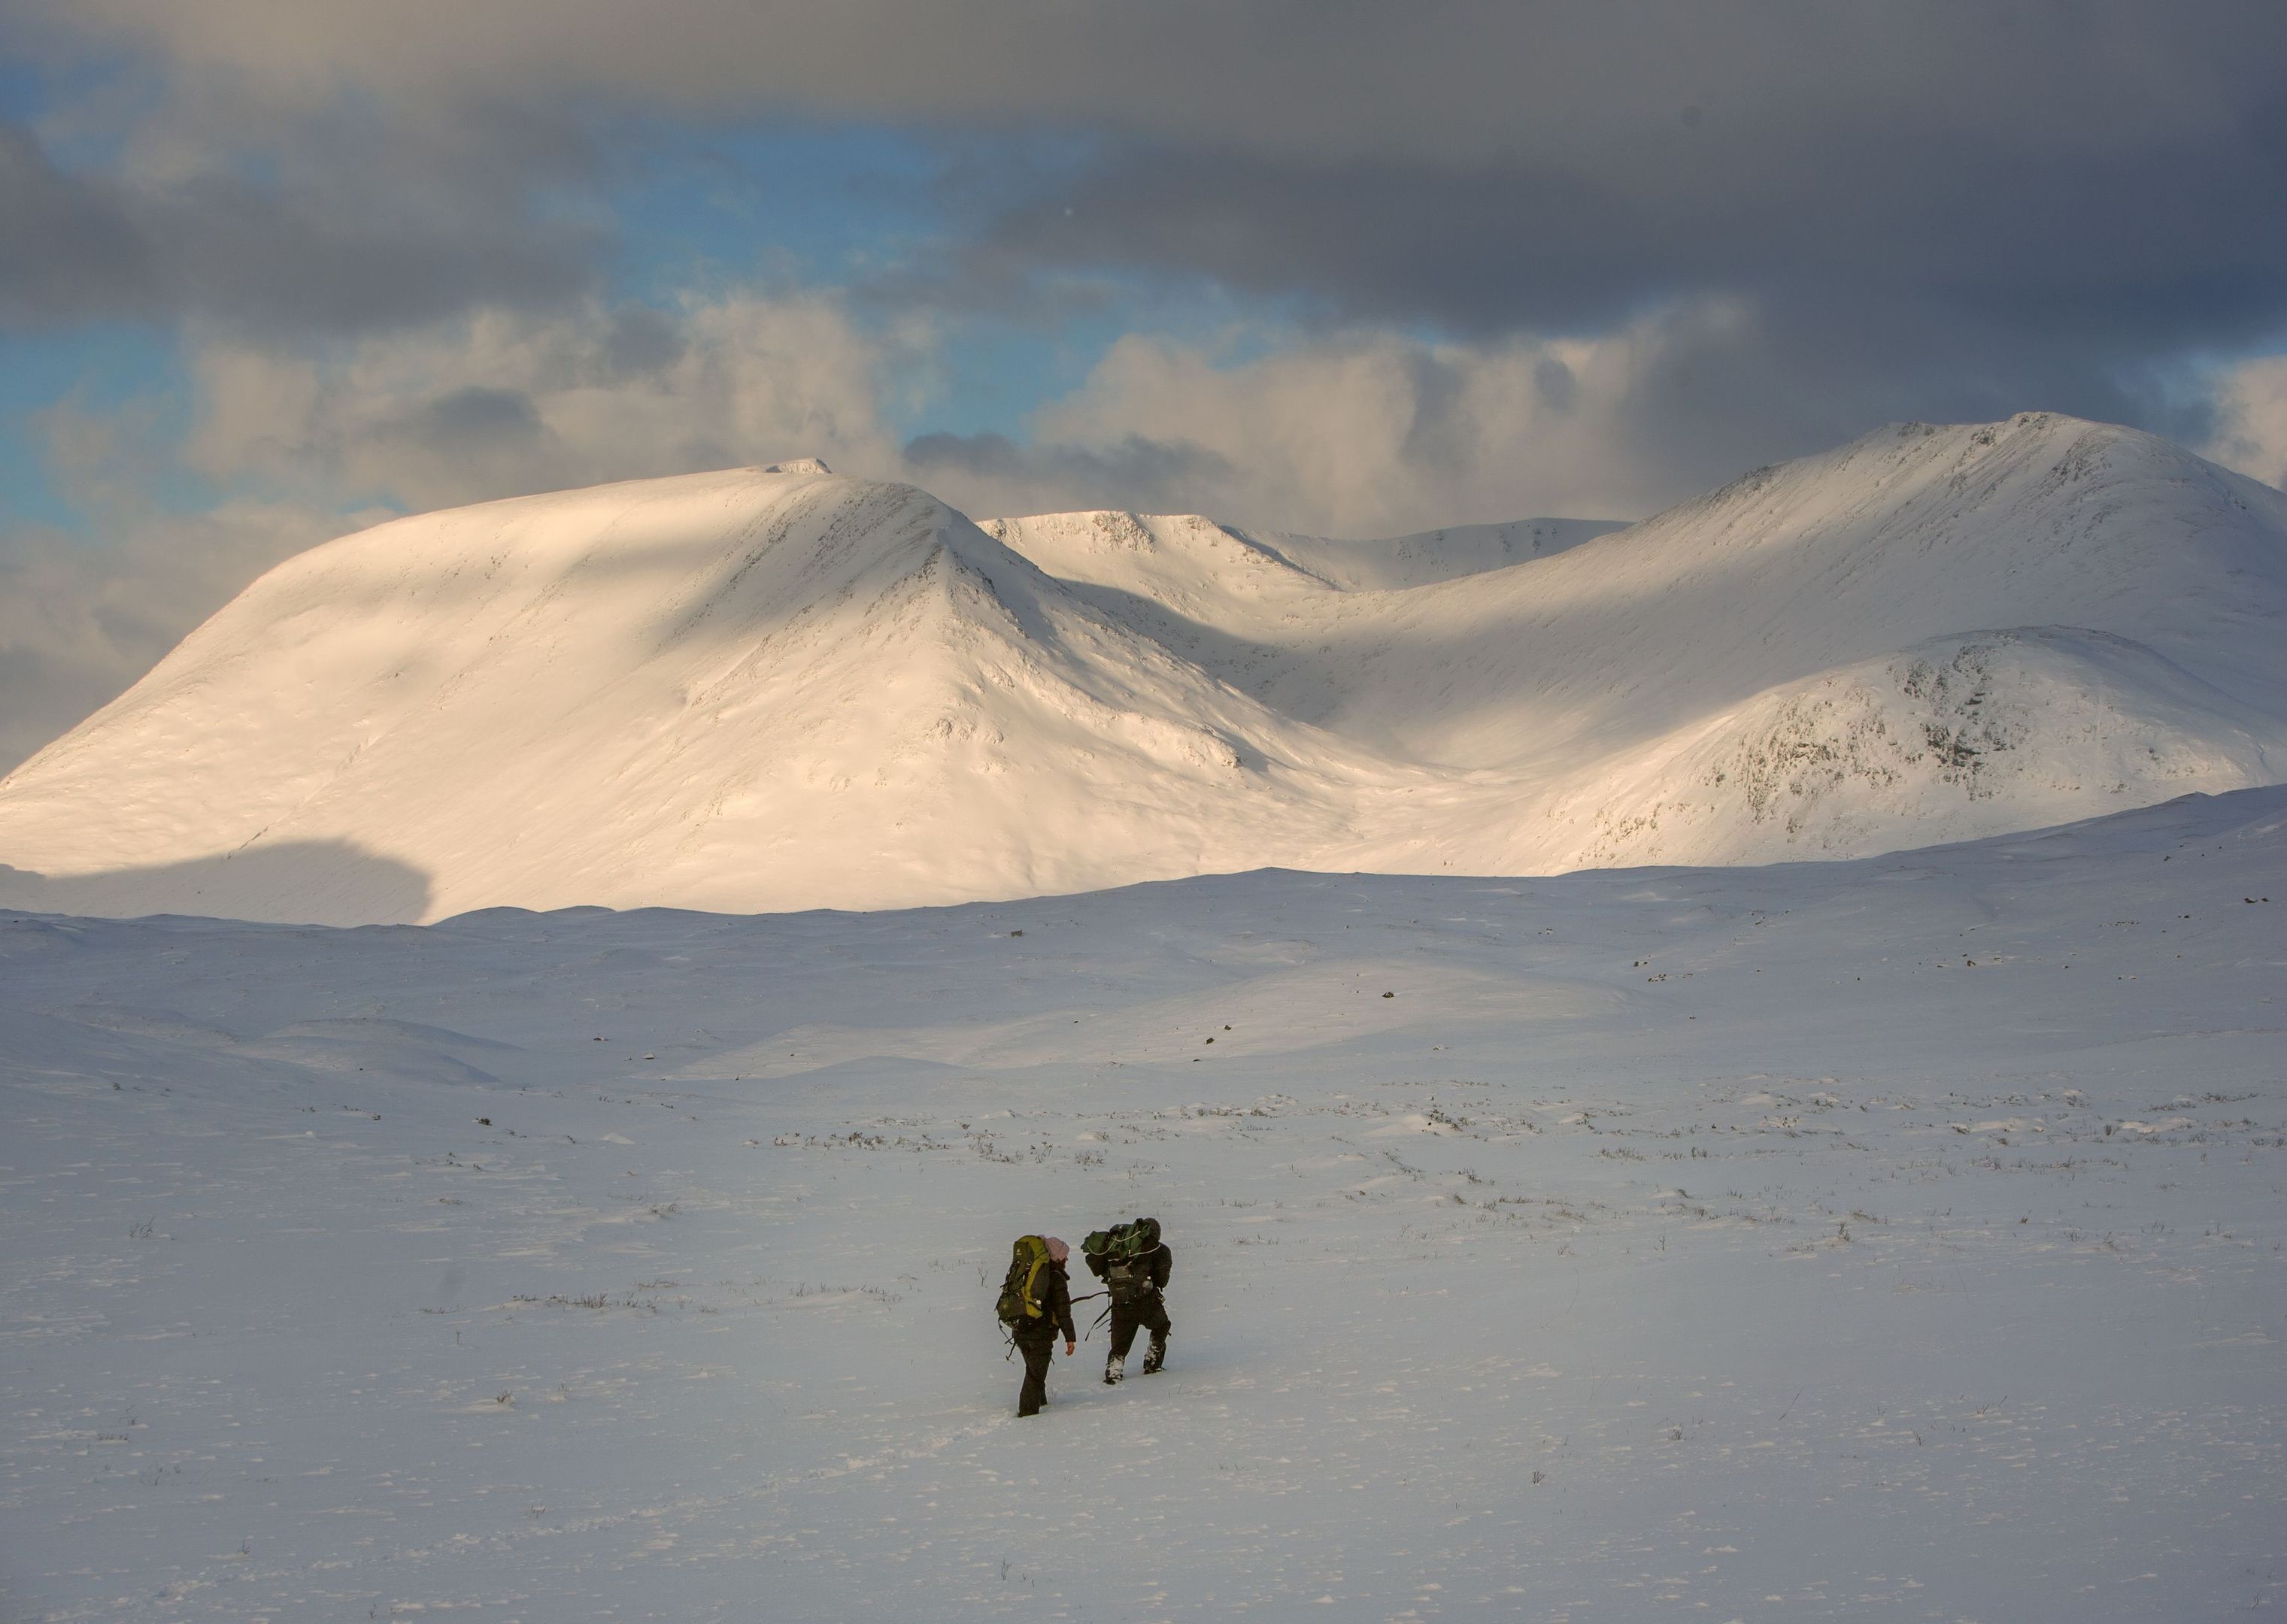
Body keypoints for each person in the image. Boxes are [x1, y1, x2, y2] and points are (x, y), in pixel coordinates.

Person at [1089, 1216, 1172, 1384]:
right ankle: (1152, 1361)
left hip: (1120, 1302)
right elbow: (1162, 1280)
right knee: (1162, 1326)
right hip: (1146, 1301)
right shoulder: (1157, 1249)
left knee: (1119, 1343)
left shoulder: (1117, 1248)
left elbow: (1098, 1270)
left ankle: (1114, 1370)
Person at [1012, 1235, 1077, 1417]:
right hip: (1040, 1334)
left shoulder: (1026, 1272)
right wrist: (1070, 1337)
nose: (1066, 1259)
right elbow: (1063, 1311)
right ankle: (1028, 1415)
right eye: (1064, 1255)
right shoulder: (1055, 1277)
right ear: (1056, 1257)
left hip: (1020, 1330)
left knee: (1034, 1370)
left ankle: (1041, 1401)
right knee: (1034, 1376)